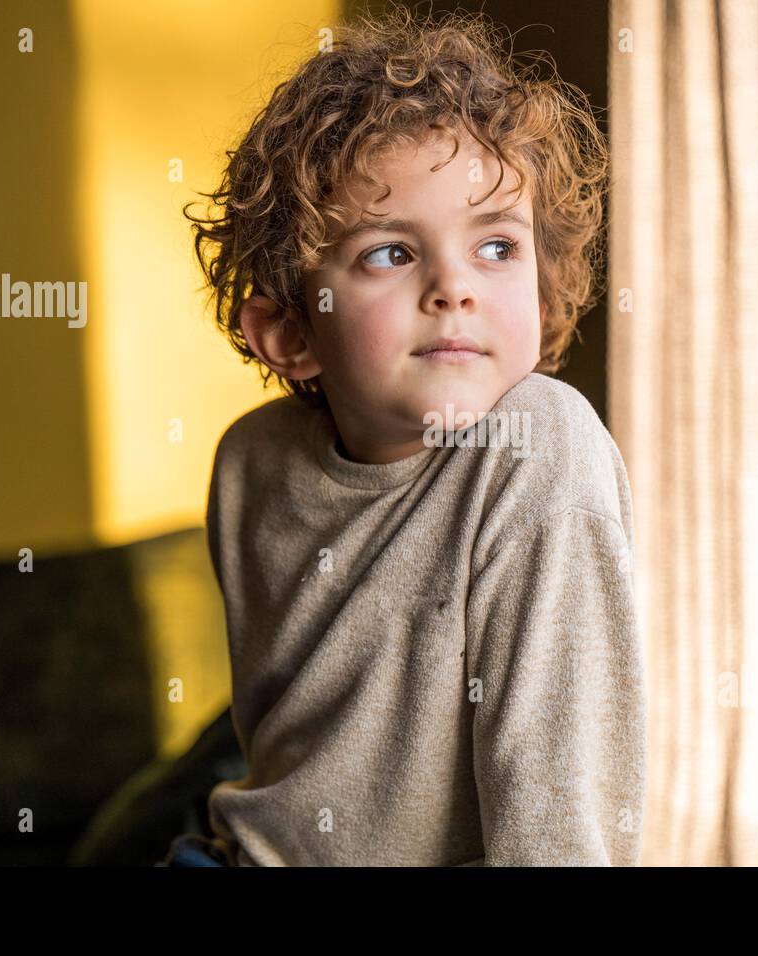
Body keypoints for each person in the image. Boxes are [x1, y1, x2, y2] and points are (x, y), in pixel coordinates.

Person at [180, 5, 645, 867]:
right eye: (391, 254)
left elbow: (560, 819)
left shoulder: (541, 446)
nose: (453, 287)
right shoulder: (250, 461)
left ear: (542, 296)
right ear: (290, 334)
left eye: (497, 247)